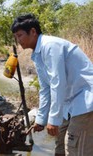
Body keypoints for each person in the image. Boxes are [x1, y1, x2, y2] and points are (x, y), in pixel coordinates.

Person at [11, 13, 93, 156]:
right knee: (59, 142)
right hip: (69, 103)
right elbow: (45, 89)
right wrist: (41, 120)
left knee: (74, 147)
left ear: (33, 32)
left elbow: (57, 83)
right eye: (16, 37)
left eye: (20, 35)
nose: (18, 41)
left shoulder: (50, 46)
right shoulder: (37, 55)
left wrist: (53, 119)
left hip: (85, 100)